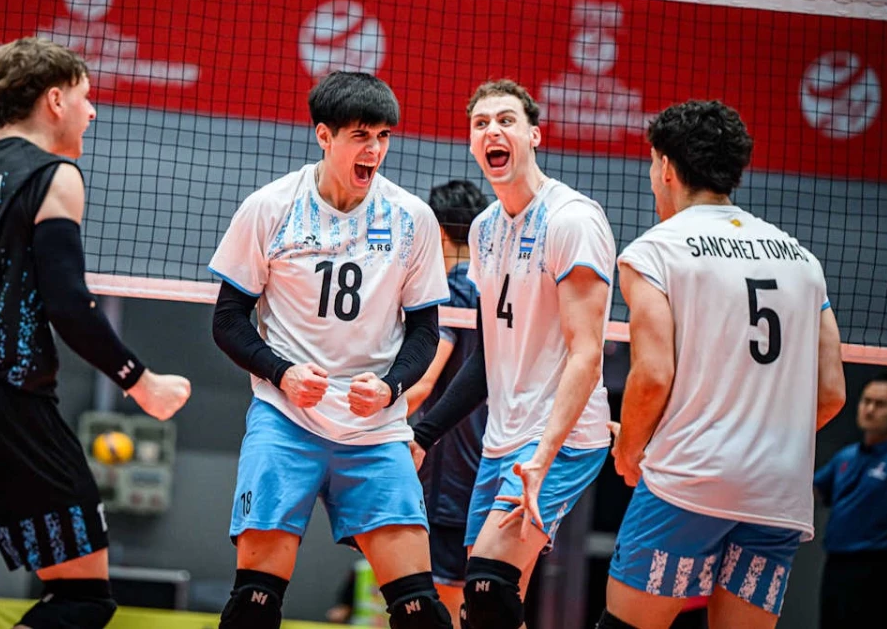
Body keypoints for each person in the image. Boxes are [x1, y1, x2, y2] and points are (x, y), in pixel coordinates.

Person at [0, 36, 191, 629]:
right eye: (85, 95)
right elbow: (69, 306)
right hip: (5, 406)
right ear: (54, 100)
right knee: (82, 599)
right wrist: (142, 382)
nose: (93, 110)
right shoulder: (54, 176)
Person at [209, 70, 453, 629]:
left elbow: (425, 331)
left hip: (375, 430)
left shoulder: (411, 217)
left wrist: (392, 387)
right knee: (253, 603)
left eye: (384, 136)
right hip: (286, 419)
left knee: (422, 611)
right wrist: (282, 372)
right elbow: (227, 320)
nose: (375, 150)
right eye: (361, 136)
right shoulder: (271, 207)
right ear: (324, 135)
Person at [599, 100, 847, 629]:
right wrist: (760, 443)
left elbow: (652, 376)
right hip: (778, 492)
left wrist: (629, 450)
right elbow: (831, 393)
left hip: (689, 481)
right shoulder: (803, 261)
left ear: (665, 166)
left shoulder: (653, 251)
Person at [412, 79, 615, 629]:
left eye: (505, 120)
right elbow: (487, 359)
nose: (491, 131)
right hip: (502, 440)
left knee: (486, 586)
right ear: (473, 144)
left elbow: (586, 356)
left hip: (562, 438)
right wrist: (423, 436)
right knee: (486, 608)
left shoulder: (571, 219)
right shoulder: (483, 231)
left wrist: (541, 457)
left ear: (534, 135)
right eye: (480, 124)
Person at [407, 179, 490, 628]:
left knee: (441, 602)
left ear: (437, 232)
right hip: (494, 465)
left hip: (450, 474)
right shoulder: (498, 288)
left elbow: (422, 381)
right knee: (494, 600)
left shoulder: (453, 291)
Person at [815, 373, 887, 629]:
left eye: (880, 404)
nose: (869, 409)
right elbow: (813, 490)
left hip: (875, 570)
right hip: (835, 566)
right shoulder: (845, 456)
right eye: (866, 401)